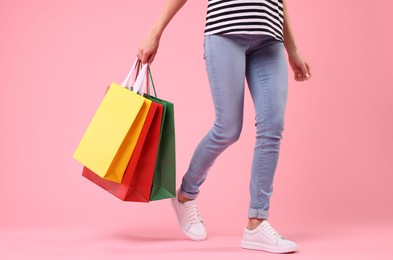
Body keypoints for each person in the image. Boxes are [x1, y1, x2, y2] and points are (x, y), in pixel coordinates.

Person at [137, 0, 311, 254]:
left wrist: (292, 48)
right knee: (228, 129)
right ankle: (185, 194)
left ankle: (256, 222)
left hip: (270, 37)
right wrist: (155, 32)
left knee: (272, 127)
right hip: (224, 32)